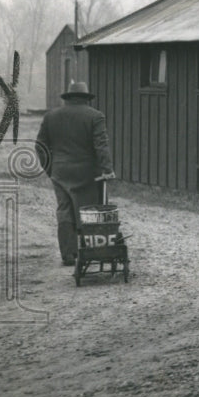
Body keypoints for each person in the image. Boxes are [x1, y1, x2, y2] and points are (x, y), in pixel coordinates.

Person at [35, 81, 115, 265]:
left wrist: (50, 169)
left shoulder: (51, 116)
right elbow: (101, 145)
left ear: (69, 98)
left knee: (64, 210)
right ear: (86, 98)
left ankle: (69, 254)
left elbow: (40, 146)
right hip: (87, 172)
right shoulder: (95, 116)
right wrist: (107, 169)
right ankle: (92, 250)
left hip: (60, 171)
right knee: (89, 210)